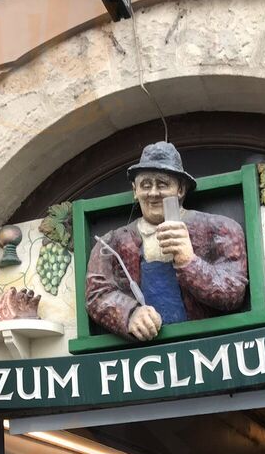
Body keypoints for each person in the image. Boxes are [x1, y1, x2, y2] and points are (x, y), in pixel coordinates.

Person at [85, 141, 248, 341]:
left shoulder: (220, 229)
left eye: (162, 184)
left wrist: (189, 262)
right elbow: (97, 294)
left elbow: (234, 292)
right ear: (135, 190)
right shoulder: (111, 244)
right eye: (145, 185)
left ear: (180, 189)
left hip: (207, 343)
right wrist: (129, 314)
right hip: (146, 350)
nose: (153, 193)